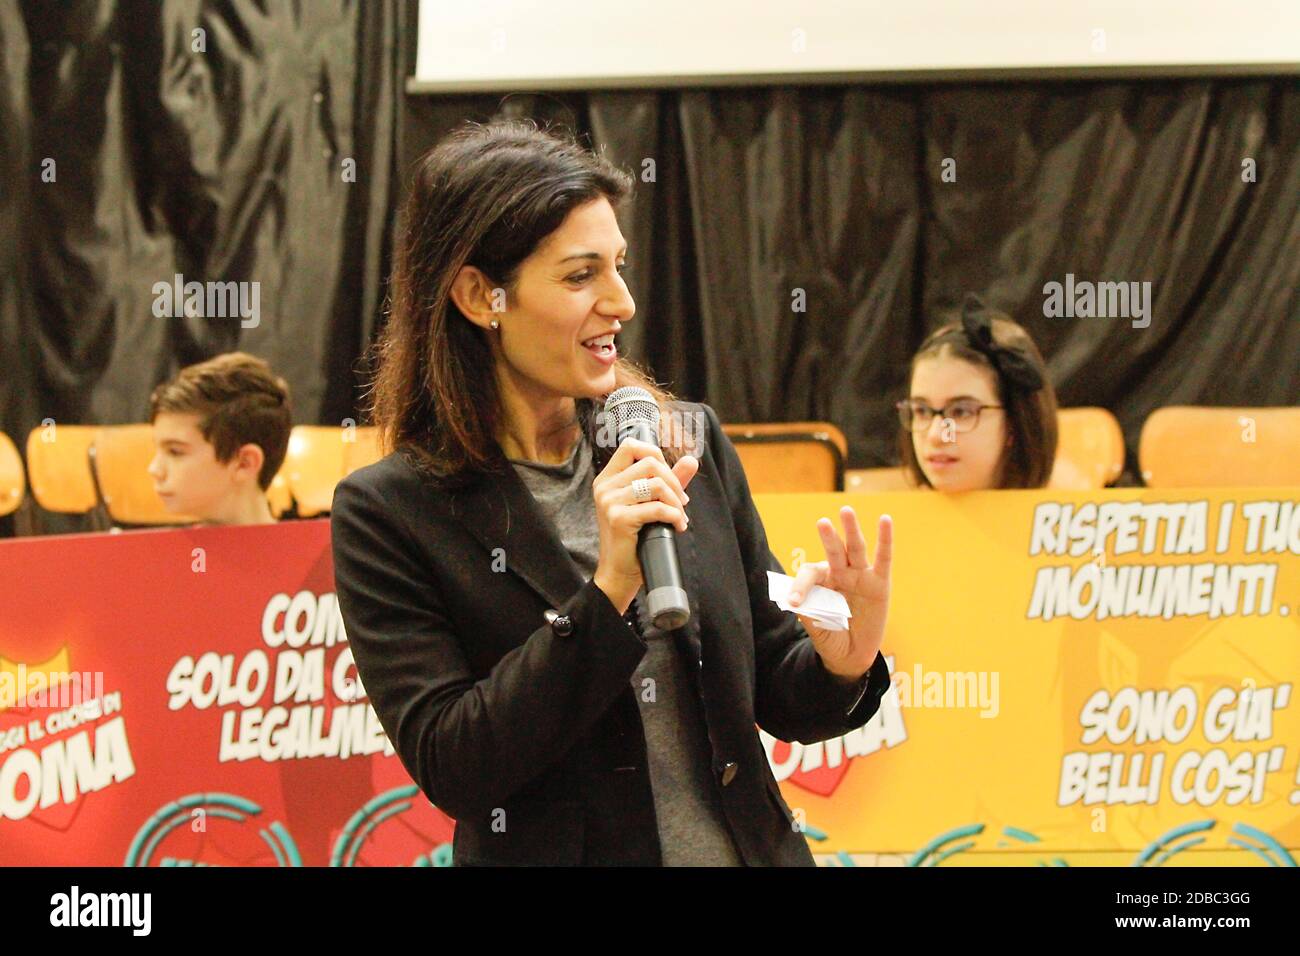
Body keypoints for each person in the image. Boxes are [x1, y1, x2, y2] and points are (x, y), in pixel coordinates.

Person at [330, 118, 894, 866]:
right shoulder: (392, 511)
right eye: (579, 275)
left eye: (619, 266)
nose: (621, 302)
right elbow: (456, 764)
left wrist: (839, 659)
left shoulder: (686, 440)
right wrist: (609, 592)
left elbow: (772, 680)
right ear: (478, 295)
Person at [896, 293, 1058, 491]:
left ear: (1013, 423)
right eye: (921, 411)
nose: (935, 435)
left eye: (960, 412)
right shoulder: (890, 517)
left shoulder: (1068, 514)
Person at [147, 351, 292, 525]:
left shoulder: (319, 551)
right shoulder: (150, 551)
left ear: (244, 463)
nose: (154, 470)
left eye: (175, 452)